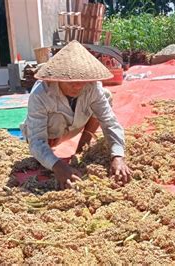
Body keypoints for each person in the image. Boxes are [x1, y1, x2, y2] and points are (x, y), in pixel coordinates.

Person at [21, 41, 130, 190]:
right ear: (58, 78)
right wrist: (57, 165)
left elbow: (109, 121)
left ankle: (81, 149)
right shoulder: (41, 94)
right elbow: (37, 141)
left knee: (106, 96)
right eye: (71, 82)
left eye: (82, 81)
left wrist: (117, 156)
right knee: (46, 153)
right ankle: (51, 157)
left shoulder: (92, 87)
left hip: (75, 125)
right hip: (50, 134)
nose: (78, 86)